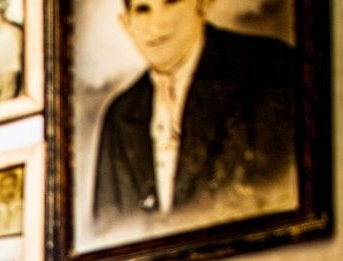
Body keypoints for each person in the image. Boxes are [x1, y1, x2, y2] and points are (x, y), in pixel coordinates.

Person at [93, 0, 297, 223]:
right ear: (126, 24)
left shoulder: (269, 70)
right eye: (143, 9)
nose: (157, 26)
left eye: (171, 2)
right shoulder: (120, 115)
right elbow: (109, 227)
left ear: (202, 5)